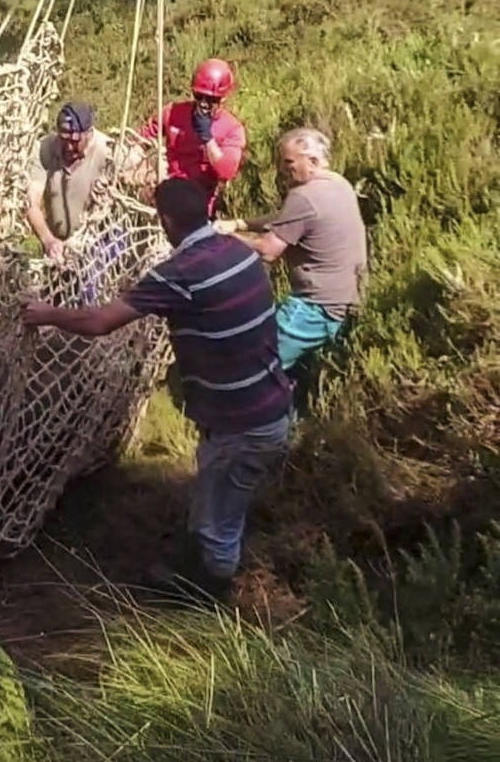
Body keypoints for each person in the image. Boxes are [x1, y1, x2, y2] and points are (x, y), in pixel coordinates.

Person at [23, 177, 292, 600]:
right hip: (268, 404)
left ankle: (207, 596)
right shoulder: (239, 251)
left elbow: (100, 322)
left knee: (218, 519)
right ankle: (201, 559)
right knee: (221, 496)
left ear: (166, 221)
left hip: (242, 423)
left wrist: (47, 314)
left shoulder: (178, 274)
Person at [220, 127, 367, 375]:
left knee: (254, 367)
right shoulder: (339, 184)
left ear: (312, 160)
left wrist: (227, 237)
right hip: (344, 303)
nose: (283, 169)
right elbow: (287, 219)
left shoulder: (304, 197)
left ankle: (239, 410)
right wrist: (241, 223)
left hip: (313, 307)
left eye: (289, 163)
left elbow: (268, 250)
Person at [134, 59, 246, 217]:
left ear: (223, 98)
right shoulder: (173, 113)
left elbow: (226, 171)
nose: (204, 104)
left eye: (211, 99)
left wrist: (207, 137)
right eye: (199, 96)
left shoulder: (232, 129)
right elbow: (140, 139)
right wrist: (144, 169)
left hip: (199, 207)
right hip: (166, 195)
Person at [25, 101, 110, 261]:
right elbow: (31, 203)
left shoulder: (107, 151)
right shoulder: (47, 149)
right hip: (58, 252)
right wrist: (48, 240)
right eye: (64, 140)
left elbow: (143, 170)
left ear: (89, 133)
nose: (69, 147)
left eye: (75, 142)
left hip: (97, 251)